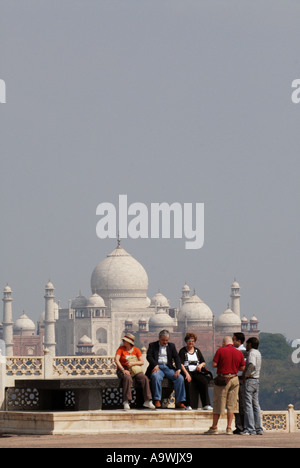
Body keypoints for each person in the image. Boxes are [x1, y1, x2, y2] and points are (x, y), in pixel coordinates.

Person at [205, 336, 245, 435]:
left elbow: (214, 364)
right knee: (232, 404)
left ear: (223, 343)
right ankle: (229, 428)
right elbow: (243, 367)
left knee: (219, 402)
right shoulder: (238, 352)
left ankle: (214, 427)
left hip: (223, 379)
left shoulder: (221, 351)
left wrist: (223, 364)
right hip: (235, 379)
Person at [146, 329, 186, 409]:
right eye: (163, 340)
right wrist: (155, 365)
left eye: (166, 340)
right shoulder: (152, 345)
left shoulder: (171, 346)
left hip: (168, 367)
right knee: (155, 377)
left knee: (180, 378)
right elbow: (149, 356)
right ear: (159, 338)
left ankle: (179, 400)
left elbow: (177, 357)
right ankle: (157, 399)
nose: (165, 342)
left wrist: (178, 369)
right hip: (158, 367)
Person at [115, 332, 155, 411]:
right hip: (123, 370)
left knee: (144, 378)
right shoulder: (121, 349)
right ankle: (126, 401)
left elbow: (142, 362)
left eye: (125, 341)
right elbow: (116, 360)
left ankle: (148, 400)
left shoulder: (136, 350)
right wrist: (123, 370)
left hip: (134, 370)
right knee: (128, 378)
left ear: (129, 342)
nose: (123, 342)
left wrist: (133, 363)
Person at [179, 333, 212, 410]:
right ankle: (188, 404)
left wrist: (200, 365)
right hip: (187, 372)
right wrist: (187, 374)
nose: (191, 342)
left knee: (203, 381)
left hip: (196, 372)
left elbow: (203, 362)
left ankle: (206, 404)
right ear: (186, 341)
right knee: (188, 383)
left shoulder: (197, 351)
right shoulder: (182, 351)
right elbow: (181, 364)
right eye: (189, 341)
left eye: (193, 341)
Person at [242, 337, 263, 435]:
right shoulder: (258, 353)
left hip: (250, 380)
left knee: (248, 405)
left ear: (250, 344)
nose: (246, 346)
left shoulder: (252, 353)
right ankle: (259, 428)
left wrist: (246, 375)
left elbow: (252, 365)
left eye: (247, 344)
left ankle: (250, 429)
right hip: (256, 380)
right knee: (256, 405)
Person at [232, 332, 247, 434]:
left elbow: (244, 367)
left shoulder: (243, 352)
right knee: (235, 403)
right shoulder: (238, 351)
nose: (232, 342)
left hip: (240, 378)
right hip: (236, 378)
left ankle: (242, 426)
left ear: (239, 341)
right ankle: (239, 426)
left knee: (240, 403)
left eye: (234, 340)